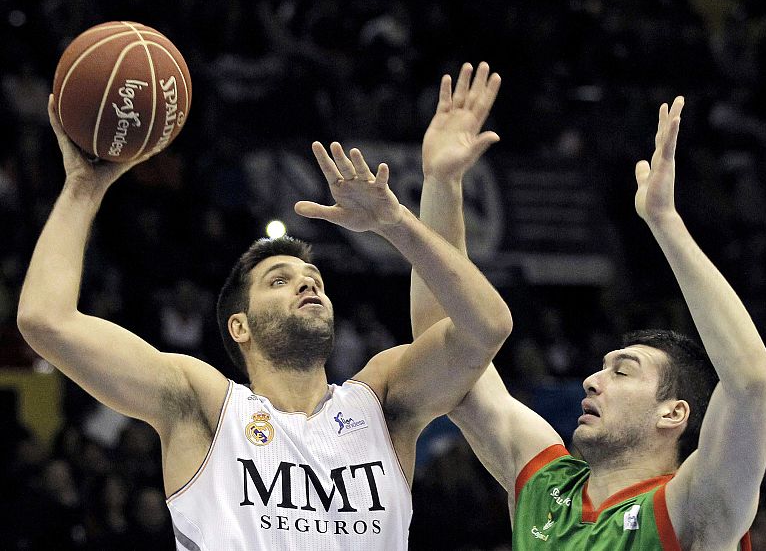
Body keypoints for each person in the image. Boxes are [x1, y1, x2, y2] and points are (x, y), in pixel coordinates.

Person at [16, 94, 513, 550]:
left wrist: (400, 221)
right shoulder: (205, 407)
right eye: (279, 280)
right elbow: (46, 321)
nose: (308, 285)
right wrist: (83, 188)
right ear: (241, 327)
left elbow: (485, 328)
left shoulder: (381, 400)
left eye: (314, 279)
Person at [412, 62, 766, 549]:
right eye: (604, 368)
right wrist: (441, 183)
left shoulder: (694, 508)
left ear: (673, 413)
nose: (592, 380)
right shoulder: (544, 486)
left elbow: (749, 382)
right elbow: (443, 350)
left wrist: (665, 223)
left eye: (622, 372)